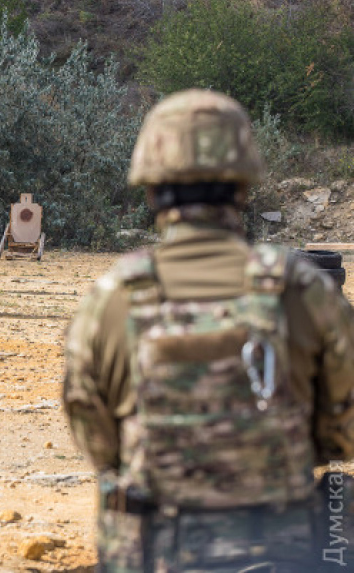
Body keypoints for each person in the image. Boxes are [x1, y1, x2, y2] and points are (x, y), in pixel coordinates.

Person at [62, 89, 354, 572]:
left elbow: (98, 444)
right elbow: (341, 435)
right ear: (243, 187)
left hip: (158, 553)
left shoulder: (112, 298)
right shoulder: (306, 291)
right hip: (284, 552)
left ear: (150, 187)